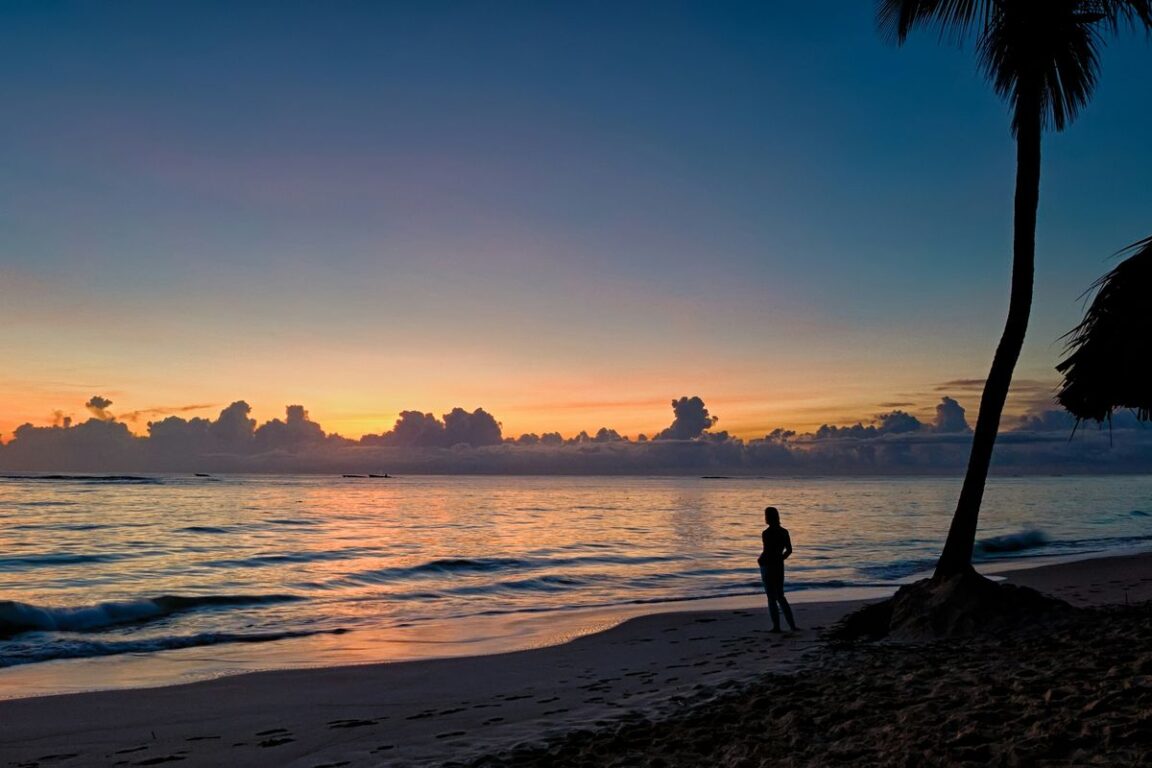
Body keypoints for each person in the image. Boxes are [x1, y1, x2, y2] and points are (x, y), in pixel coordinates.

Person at [758, 506, 797, 632]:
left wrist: (762, 560)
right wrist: (780, 559)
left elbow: (767, 551)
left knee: (771, 597)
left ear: (768, 518)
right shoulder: (784, 531)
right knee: (780, 595)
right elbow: (789, 550)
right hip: (779, 565)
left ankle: (776, 626)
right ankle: (792, 625)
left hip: (768, 565)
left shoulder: (766, 533)